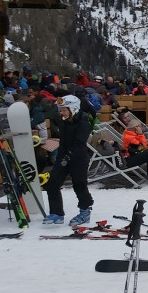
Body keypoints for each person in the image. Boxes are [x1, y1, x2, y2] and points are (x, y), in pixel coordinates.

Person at [44, 94, 94, 225]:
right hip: (63, 158)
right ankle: (56, 213)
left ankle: (85, 211)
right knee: (52, 183)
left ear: (73, 109)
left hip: (78, 159)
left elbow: (79, 143)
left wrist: (69, 155)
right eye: (60, 110)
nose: (62, 113)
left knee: (79, 185)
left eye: (64, 110)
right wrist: (60, 156)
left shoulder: (83, 122)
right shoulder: (64, 121)